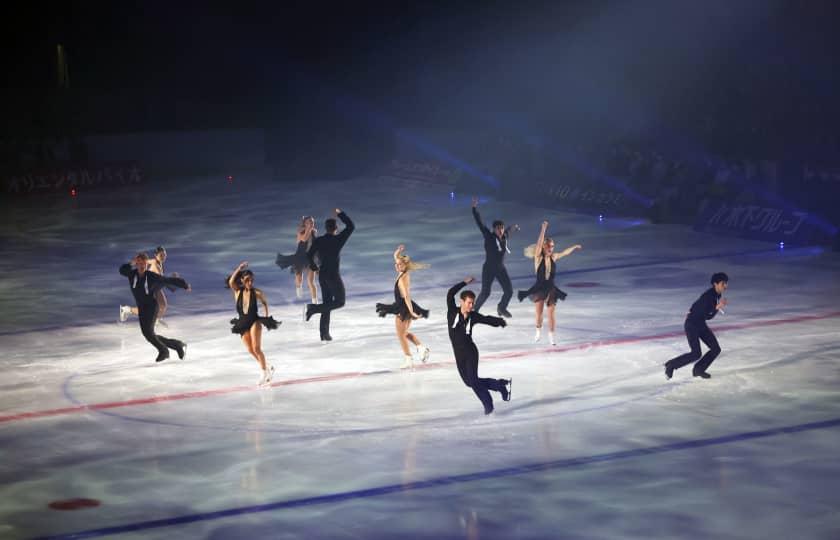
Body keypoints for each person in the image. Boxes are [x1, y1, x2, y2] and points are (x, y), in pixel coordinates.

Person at [447, 277, 511, 415]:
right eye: (469, 303)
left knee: (474, 382)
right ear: (462, 302)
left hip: (471, 352)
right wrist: (464, 283)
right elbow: (450, 293)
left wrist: (499, 321)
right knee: (469, 382)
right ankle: (500, 385)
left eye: (472, 303)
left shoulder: (473, 316)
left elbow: (486, 319)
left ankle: (489, 407)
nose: (471, 306)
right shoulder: (452, 312)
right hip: (458, 354)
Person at [517, 221, 582, 346]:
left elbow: (564, 253)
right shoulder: (538, 257)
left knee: (551, 313)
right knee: (539, 313)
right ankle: (538, 330)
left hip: (551, 288)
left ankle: (551, 336)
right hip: (539, 288)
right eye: (548, 247)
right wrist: (543, 229)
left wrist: (574, 247)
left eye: (552, 247)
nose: (550, 249)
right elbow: (540, 243)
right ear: (543, 247)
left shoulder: (554, 257)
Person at [119, 252, 189, 363]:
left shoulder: (150, 276)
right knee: (150, 334)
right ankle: (177, 345)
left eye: (144, 264)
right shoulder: (132, 274)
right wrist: (131, 262)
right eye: (139, 263)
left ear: (146, 264)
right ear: (136, 264)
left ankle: (164, 351)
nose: (142, 266)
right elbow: (122, 270)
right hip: (142, 308)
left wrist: (184, 284)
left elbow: (167, 280)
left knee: (148, 334)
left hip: (151, 307)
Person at [664, 272, 729, 380]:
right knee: (696, 353)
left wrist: (716, 308)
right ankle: (671, 365)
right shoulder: (708, 296)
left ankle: (698, 369)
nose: (725, 286)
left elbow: (708, 316)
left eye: (726, 283)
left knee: (715, 349)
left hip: (700, 323)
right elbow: (706, 313)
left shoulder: (717, 295)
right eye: (723, 283)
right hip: (692, 324)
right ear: (715, 284)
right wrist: (717, 308)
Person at [375, 245, 431, 369]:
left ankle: (409, 359)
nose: (397, 265)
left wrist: (412, 313)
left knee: (401, 335)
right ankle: (420, 348)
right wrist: (398, 252)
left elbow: (406, 297)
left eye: (400, 264)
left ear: (405, 266)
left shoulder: (402, 279)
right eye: (397, 264)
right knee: (404, 333)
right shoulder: (402, 272)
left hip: (403, 308)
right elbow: (395, 257)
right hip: (402, 306)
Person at [227, 261, 280, 386]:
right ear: (242, 280)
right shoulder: (237, 292)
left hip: (254, 321)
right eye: (247, 280)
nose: (250, 283)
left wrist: (266, 316)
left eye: (251, 280)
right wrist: (239, 267)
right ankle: (267, 367)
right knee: (250, 350)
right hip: (242, 323)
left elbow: (265, 302)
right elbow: (231, 282)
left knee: (256, 348)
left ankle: (263, 372)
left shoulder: (256, 292)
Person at [305, 208, 355, 342]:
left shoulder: (319, 241)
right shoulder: (338, 239)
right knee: (340, 302)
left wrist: (313, 266)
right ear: (336, 228)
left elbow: (309, 255)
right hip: (333, 275)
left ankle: (324, 334)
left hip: (322, 275)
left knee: (327, 303)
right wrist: (341, 214)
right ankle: (313, 308)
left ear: (326, 228)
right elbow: (351, 226)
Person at [471, 197, 519, 317]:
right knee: (486, 293)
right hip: (489, 269)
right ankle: (474, 311)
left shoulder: (504, 236)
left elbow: (508, 231)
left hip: (500, 269)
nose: (500, 230)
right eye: (498, 228)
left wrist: (513, 228)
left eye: (502, 228)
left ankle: (501, 308)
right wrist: (474, 208)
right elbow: (480, 223)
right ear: (493, 229)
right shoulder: (489, 236)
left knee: (509, 291)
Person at [119, 246, 175, 327]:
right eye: (161, 255)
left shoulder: (154, 261)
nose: (163, 257)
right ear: (156, 255)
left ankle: (156, 320)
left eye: (164, 255)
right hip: (147, 288)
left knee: (162, 305)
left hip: (155, 286)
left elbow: (147, 261)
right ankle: (126, 310)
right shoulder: (155, 264)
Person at [275, 216, 319, 304]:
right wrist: (308, 229)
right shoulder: (300, 232)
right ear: (305, 223)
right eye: (309, 222)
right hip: (300, 257)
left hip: (311, 258)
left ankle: (315, 301)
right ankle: (298, 287)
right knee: (299, 278)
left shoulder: (314, 232)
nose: (311, 223)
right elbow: (304, 239)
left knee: (311, 281)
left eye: (312, 222)